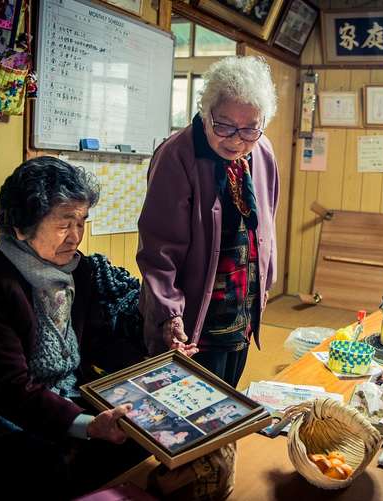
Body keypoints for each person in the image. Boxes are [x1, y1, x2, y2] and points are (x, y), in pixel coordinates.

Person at [0, 157, 149, 500]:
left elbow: (95, 344)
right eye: (65, 223)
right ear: (22, 225)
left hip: (52, 399)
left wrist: (155, 356)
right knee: (44, 467)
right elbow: (9, 388)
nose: (76, 236)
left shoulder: (77, 272)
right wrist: (89, 425)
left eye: (82, 222)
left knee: (144, 434)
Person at [137, 56, 279, 388]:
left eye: (249, 129)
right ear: (206, 112)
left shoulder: (263, 153)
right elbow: (158, 248)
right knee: (189, 413)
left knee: (227, 399)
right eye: (224, 125)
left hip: (241, 308)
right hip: (193, 318)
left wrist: (265, 285)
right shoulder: (178, 154)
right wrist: (169, 314)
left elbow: (267, 225)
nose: (235, 139)